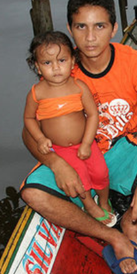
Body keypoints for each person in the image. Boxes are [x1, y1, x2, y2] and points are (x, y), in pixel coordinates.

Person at [20, 0, 137, 274]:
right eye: (81, 27)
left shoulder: (135, 62)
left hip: (125, 149)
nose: (90, 38)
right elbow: (29, 131)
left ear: (115, 29)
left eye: (100, 26)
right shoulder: (60, 69)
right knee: (33, 194)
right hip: (78, 154)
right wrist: (57, 164)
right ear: (70, 28)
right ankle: (113, 236)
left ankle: (132, 220)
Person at [23, 31, 116, 227]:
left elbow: (92, 115)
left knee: (101, 172)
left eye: (62, 60)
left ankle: (104, 200)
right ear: (37, 67)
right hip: (61, 149)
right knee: (79, 177)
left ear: (73, 62)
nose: (56, 68)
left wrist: (88, 143)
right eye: (47, 63)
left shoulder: (79, 87)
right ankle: (89, 205)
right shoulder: (36, 93)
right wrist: (40, 138)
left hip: (85, 143)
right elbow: (29, 118)